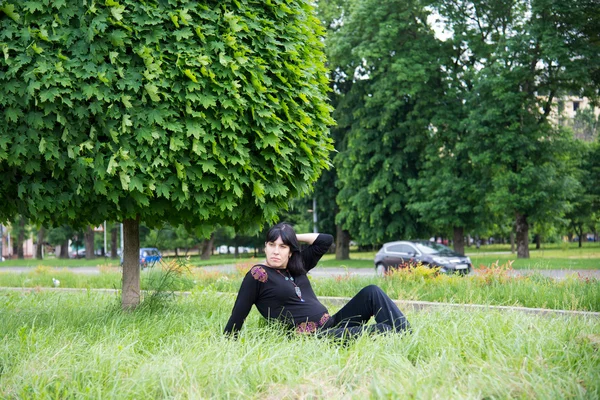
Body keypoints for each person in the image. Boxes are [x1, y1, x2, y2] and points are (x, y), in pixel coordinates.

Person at [224, 222, 411, 339]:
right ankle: (400, 334)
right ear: (265, 247)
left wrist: (290, 236)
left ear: (290, 251)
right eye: (271, 245)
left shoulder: (297, 265)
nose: (275, 251)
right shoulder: (258, 274)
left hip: (333, 323)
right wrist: (228, 342)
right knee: (383, 330)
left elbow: (325, 240)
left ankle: (407, 335)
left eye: (282, 246)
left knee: (372, 291)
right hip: (314, 337)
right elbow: (238, 314)